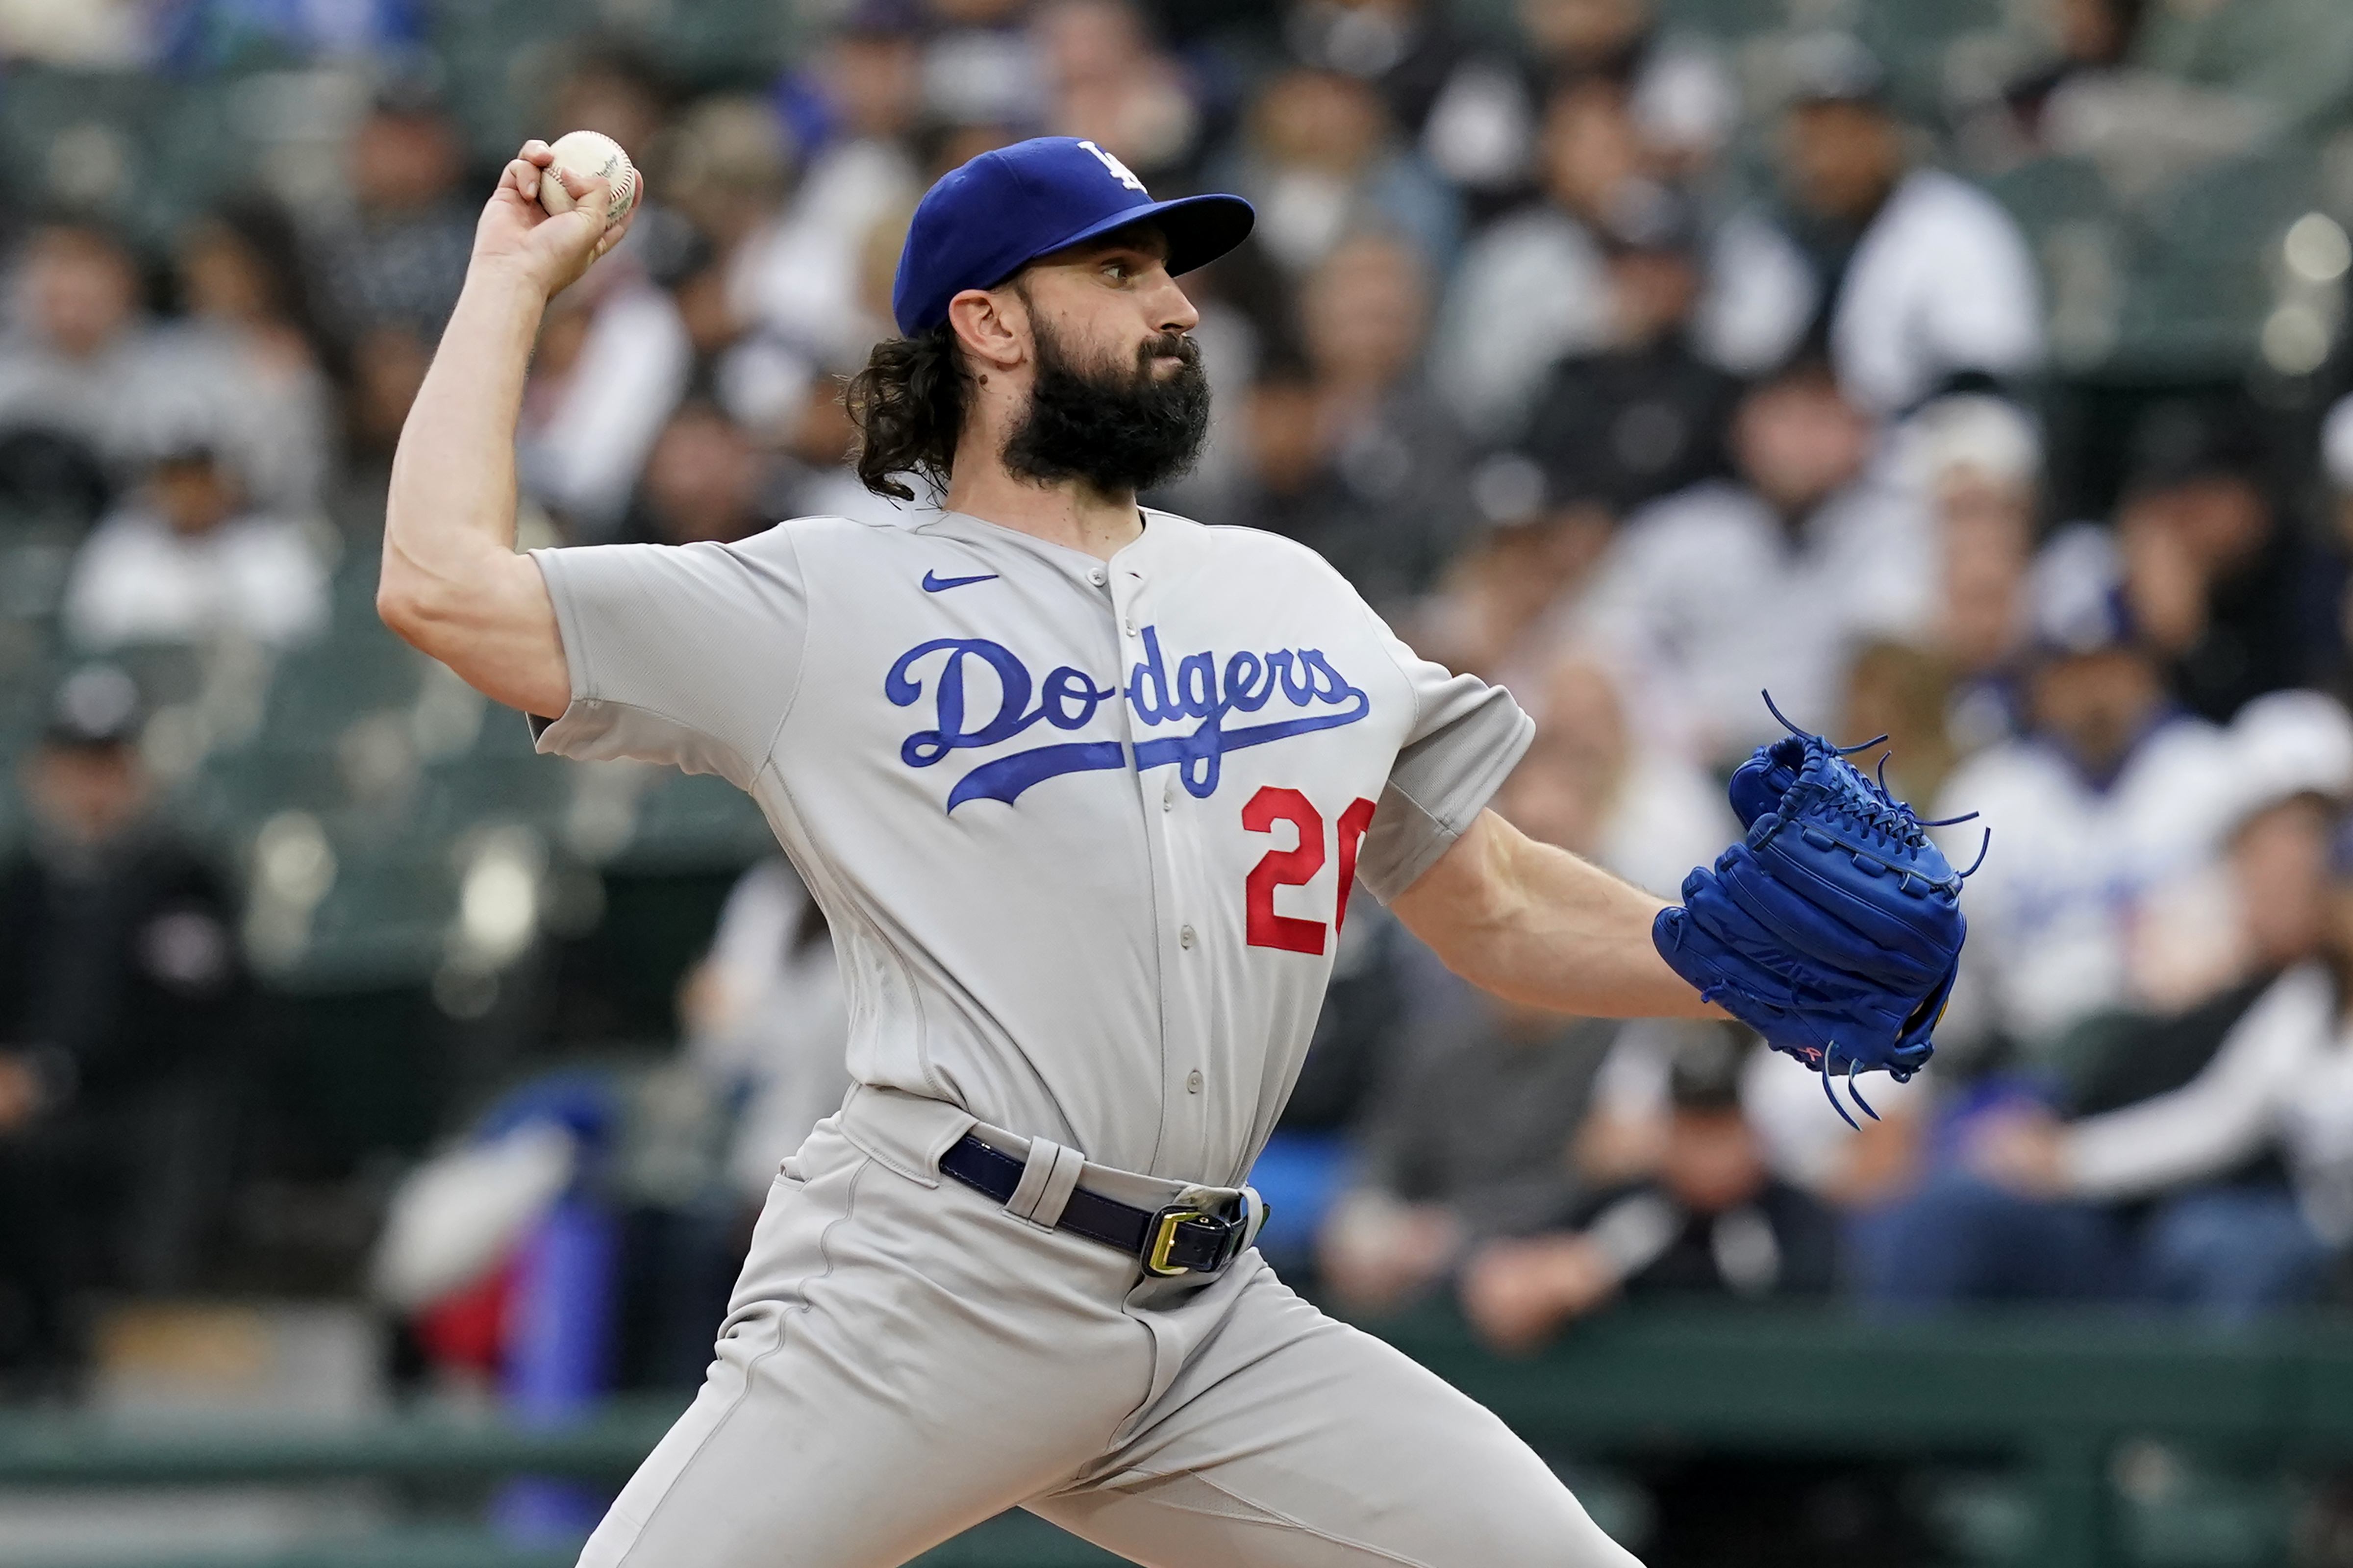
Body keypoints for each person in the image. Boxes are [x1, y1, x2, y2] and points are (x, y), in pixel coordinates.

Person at [374, 132, 1856, 1568]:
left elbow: (1496, 901)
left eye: (1172, 272)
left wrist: (1743, 964)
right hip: (934, 1277)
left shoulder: (1288, 591)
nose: (1179, 304)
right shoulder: (823, 594)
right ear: (988, 321)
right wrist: (511, 273)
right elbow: (442, 583)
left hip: (1211, 1315)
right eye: (1124, 270)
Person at [0, 667, 244, 1384]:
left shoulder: (182, 879)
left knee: (33, 1163)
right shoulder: (24, 883)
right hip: (25, 1099)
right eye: (77, 763)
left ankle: (47, 1352)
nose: (91, 784)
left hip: (129, 1116)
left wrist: (49, 1074)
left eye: (107, 764)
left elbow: (185, 1025)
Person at [61, 439, 330, 651]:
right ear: (155, 486)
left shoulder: (270, 548)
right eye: (176, 480)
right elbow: (92, 636)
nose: (189, 494)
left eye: (199, 479)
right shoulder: (120, 551)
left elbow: (302, 634)